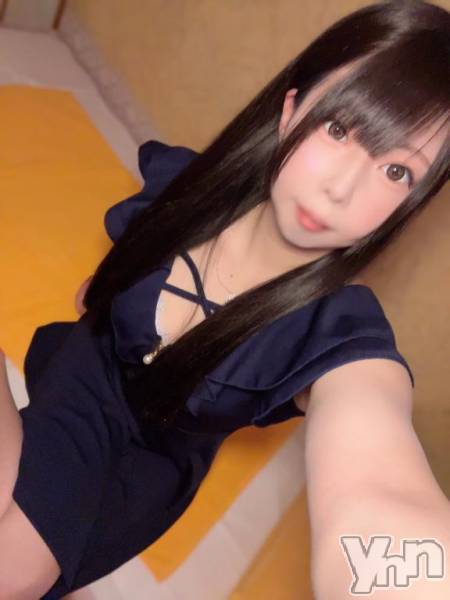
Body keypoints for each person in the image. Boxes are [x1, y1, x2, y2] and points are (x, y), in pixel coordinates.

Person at [0, 0, 449, 597]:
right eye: (339, 129)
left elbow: (382, 485)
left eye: (397, 172)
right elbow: (120, 265)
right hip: (85, 379)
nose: (341, 189)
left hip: (147, 473)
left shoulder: (337, 334)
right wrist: (108, 294)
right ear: (291, 111)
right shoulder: (185, 187)